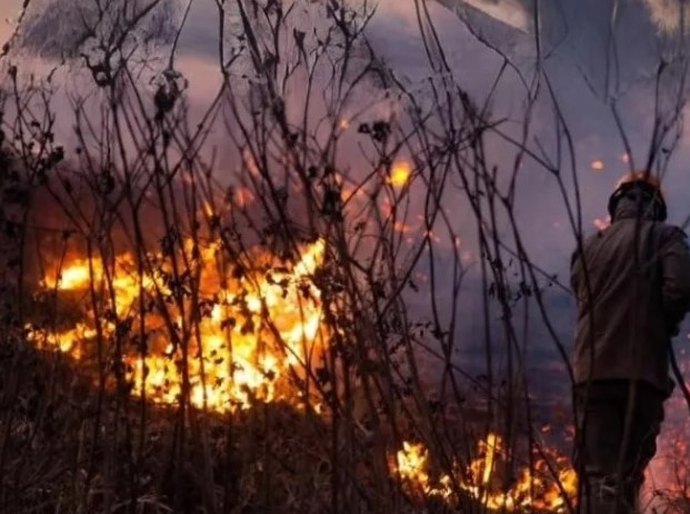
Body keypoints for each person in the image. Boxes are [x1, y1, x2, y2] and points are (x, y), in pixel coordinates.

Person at [570, 171, 690, 513]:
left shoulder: (589, 246)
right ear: (656, 206)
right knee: (625, 477)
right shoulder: (666, 237)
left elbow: (581, 296)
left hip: (590, 375)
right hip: (640, 375)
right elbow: (680, 287)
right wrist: (664, 321)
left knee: (596, 477)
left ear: (617, 203)